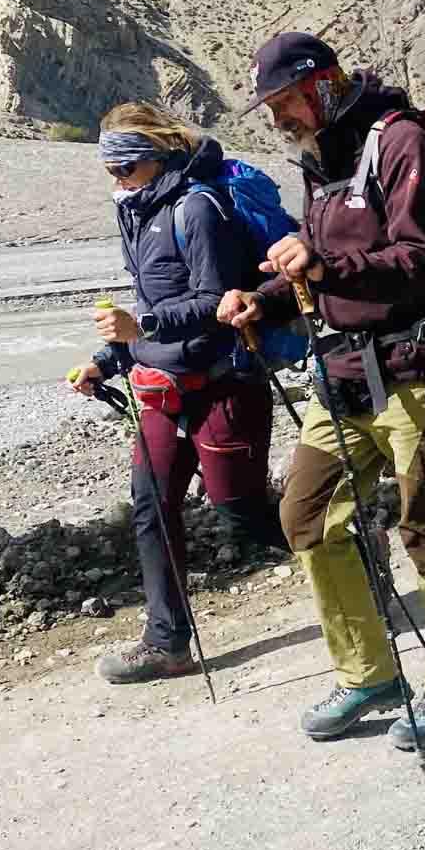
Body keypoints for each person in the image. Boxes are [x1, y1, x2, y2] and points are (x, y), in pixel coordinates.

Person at [216, 32, 425, 752]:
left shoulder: (400, 143)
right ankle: (366, 670)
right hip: (342, 372)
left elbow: (421, 261)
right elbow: (316, 263)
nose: (277, 119)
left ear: (323, 83)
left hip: (419, 371)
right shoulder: (322, 157)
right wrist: (264, 300)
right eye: (270, 108)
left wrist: (322, 265)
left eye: (283, 102)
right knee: (305, 516)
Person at [67, 103, 286, 684]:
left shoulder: (198, 208)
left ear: (157, 156)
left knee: (240, 511)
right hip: (162, 386)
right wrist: (108, 360)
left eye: (127, 169)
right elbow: (150, 305)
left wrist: (142, 332)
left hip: (224, 382)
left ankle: (357, 555)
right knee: (152, 507)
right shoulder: (137, 212)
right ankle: (166, 643)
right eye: (112, 172)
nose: (118, 183)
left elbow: (220, 301)